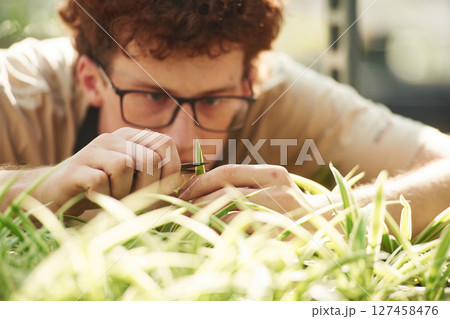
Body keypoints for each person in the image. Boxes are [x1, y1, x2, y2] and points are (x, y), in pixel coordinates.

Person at [0, 0, 449, 236]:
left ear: (253, 79)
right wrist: (36, 187)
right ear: (89, 78)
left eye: (213, 102)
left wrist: (323, 213)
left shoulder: (280, 91)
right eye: (152, 97)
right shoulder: (19, 90)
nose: (182, 138)